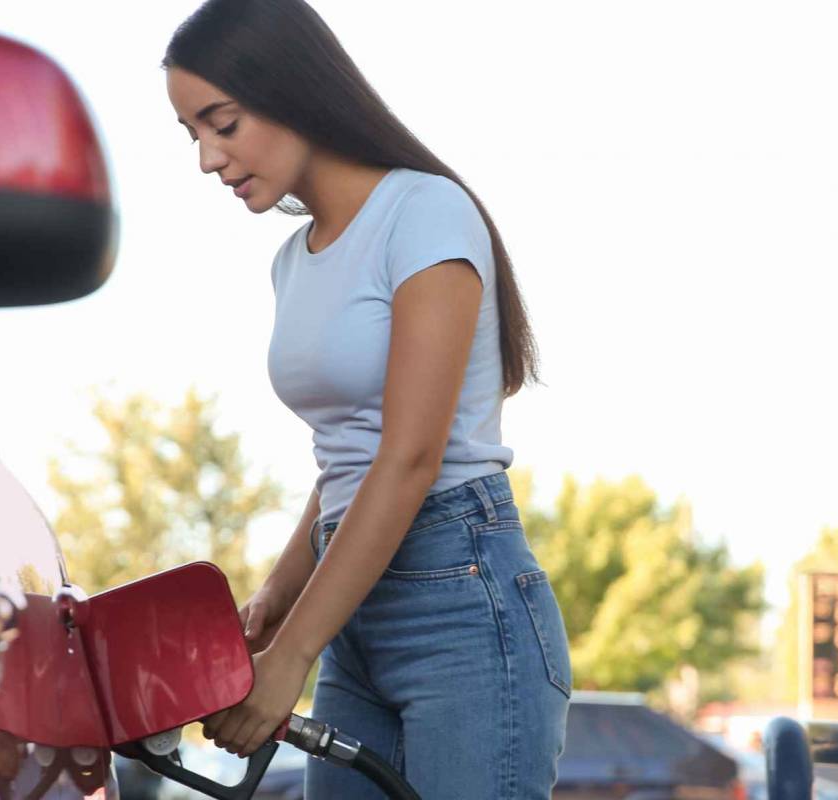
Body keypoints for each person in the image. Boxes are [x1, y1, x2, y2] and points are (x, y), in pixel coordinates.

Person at [165, 1, 571, 796]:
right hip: (352, 604)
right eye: (193, 136)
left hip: (462, 596)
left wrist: (290, 660)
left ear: (289, 90)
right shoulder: (293, 261)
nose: (209, 159)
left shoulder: (422, 213)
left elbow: (411, 458)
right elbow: (348, 460)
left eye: (223, 123)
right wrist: (275, 603)